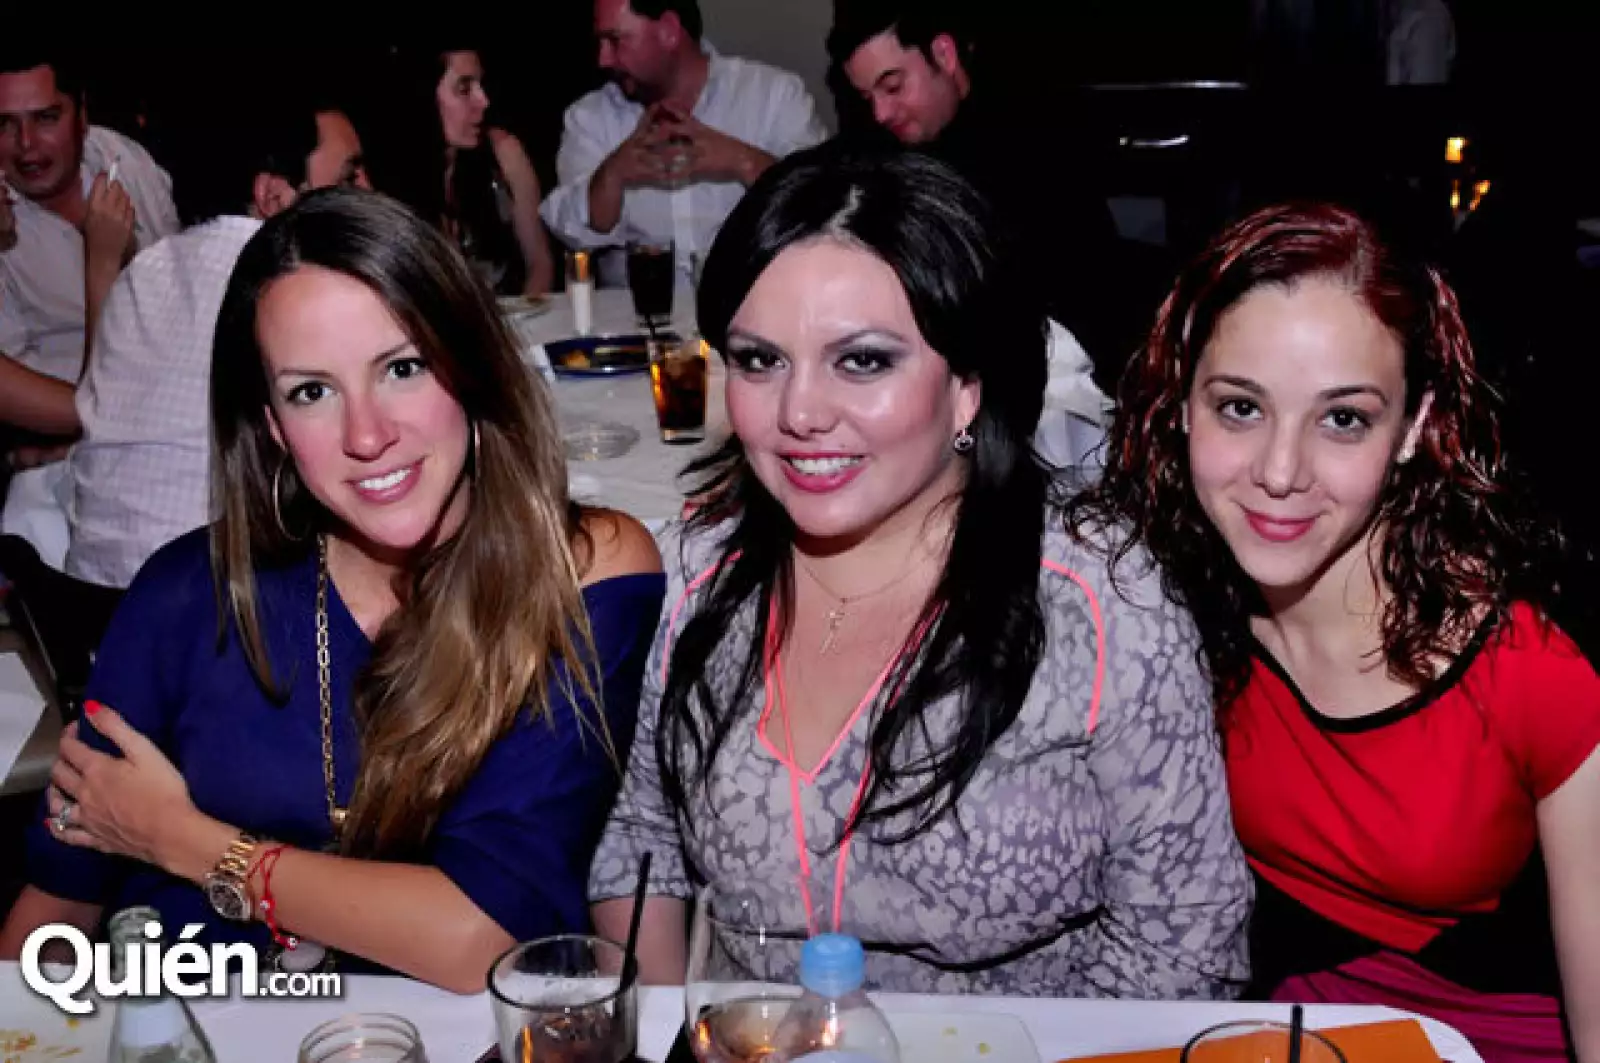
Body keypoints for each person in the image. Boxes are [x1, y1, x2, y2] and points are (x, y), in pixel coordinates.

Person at [588, 143, 1250, 997]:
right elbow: (638, 839)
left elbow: (1185, 941)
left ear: (969, 385)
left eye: (862, 360)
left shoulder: (1101, 604)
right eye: (760, 359)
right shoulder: (692, 576)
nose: (799, 413)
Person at [0, 189, 666, 992]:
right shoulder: (187, 595)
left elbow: (485, 934)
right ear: (274, 426)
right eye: (311, 391)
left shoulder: (581, 570)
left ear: (475, 366)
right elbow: (51, 920)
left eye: (403, 367)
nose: (366, 434)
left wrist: (182, 838)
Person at [1070, 203, 1600, 1062]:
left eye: (1343, 418)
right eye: (1240, 407)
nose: (1281, 472)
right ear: (1180, 407)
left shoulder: (1531, 672)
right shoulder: (1148, 612)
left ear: (1414, 427)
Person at [65, 92, 372, 590]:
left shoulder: (145, 270)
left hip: (89, 604)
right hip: (217, 613)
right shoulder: (289, 291)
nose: (367, 193)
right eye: (347, 178)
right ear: (274, 196)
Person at [827, 1, 1144, 387]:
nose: (881, 112)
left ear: (943, 54)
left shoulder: (1036, 129)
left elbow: (1070, 288)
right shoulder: (879, 144)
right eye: (867, 97)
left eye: (893, 86)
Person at [0, 49, 181, 567]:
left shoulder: (121, 157)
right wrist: (101, 264)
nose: (26, 146)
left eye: (46, 118)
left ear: (82, 113)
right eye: (5, 126)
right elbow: (90, 408)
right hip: (73, 477)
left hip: (184, 427)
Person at [542, 0, 828, 286]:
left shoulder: (774, 96)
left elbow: (822, 207)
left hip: (754, 312)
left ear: (668, 30)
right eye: (601, 42)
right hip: (633, 320)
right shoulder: (590, 116)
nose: (603, 59)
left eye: (615, 41)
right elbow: (569, 234)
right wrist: (612, 176)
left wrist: (745, 162)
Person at [391, 48, 554, 299]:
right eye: (464, 89)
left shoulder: (502, 153)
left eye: (480, 85)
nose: (483, 100)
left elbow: (540, 263)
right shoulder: (390, 181)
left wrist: (516, 322)